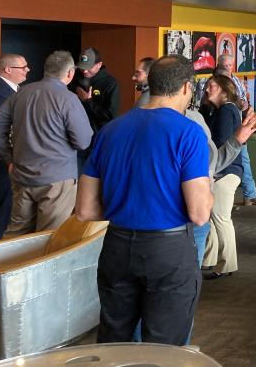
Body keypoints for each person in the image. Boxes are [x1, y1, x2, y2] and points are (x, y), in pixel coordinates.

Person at [75, 55, 213, 345]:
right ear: (187, 88)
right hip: (168, 251)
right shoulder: (189, 133)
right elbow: (200, 214)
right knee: (165, 349)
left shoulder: (110, 131)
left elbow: (85, 210)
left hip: (116, 247)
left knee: (114, 342)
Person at [0, 51, 92, 235]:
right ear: (70, 73)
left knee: (16, 235)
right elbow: (83, 142)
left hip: (21, 175)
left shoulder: (21, 93)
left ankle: (7, 265)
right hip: (56, 179)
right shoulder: (68, 99)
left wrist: (9, 158)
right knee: (49, 237)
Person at [202, 74, 244, 279]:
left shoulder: (226, 112)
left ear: (224, 90)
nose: (207, 89)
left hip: (225, 172)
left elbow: (220, 142)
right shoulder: (222, 111)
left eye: (212, 86)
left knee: (220, 217)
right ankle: (209, 259)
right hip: (224, 172)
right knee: (212, 217)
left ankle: (227, 263)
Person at [217, 54, 256, 206]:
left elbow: (242, 100)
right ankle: (246, 196)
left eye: (230, 65)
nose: (228, 68)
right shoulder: (217, 82)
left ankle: (250, 195)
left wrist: (247, 106)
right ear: (219, 65)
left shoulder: (236, 80)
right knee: (233, 160)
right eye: (225, 65)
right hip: (228, 126)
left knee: (244, 159)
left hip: (239, 122)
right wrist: (240, 104)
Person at [0, 53, 29, 241]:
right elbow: (5, 125)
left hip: (4, 159)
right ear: (8, 70)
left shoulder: (14, 89)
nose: (28, 70)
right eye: (23, 67)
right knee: (0, 211)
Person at [73, 47, 120, 133]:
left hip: (99, 134)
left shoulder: (110, 83)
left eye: (88, 67)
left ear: (99, 64)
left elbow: (111, 115)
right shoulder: (75, 78)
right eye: (82, 67)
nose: (85, 71)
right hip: (78, 132)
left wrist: (88, 101)